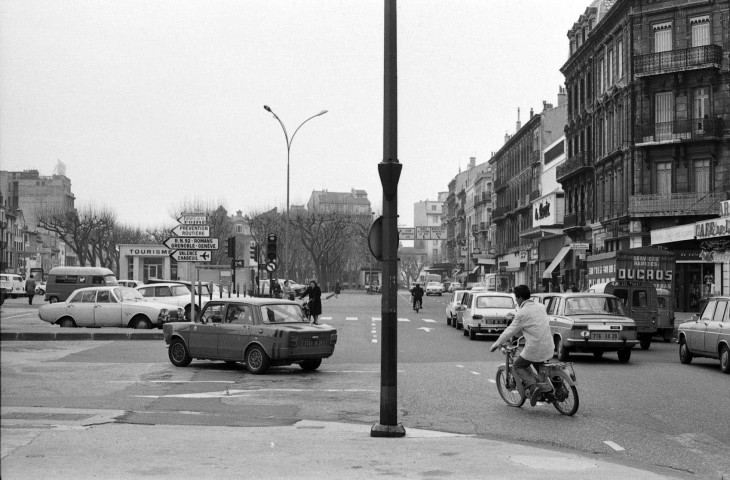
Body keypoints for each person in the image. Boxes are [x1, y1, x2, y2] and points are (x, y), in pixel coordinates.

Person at [490, 284, 554, 407]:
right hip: (549, 346)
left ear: (519, 298)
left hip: (535, 348)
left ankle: (533, 387)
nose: (516, 301)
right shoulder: (541, 307)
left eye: (516, 299)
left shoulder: (522, 313)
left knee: (518, 365)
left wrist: (497, 343)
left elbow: (510, 330)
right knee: (540, 367)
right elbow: (534, 324)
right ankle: (551, 389)